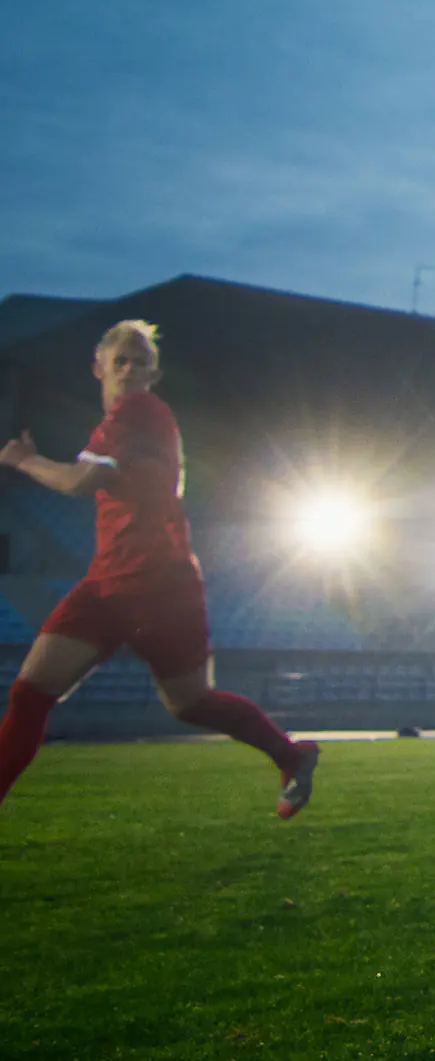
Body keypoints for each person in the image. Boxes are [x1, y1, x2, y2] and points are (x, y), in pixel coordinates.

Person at [0, 321, 319, 817]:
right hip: (113, 583)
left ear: (155, 374)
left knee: (182, 703)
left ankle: (291, 754)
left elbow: (84, 480)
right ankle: (290, 754)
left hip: (158, 588)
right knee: (35, 695)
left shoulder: (141, 411)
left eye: (141, 361)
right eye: (120, 360)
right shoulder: (126, 424)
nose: (129, 369)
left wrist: (23, 459)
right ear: (98, 367)